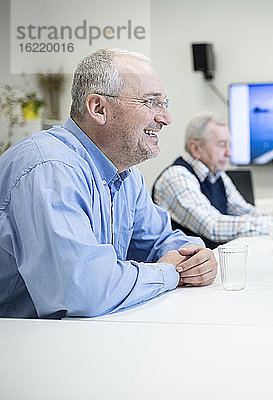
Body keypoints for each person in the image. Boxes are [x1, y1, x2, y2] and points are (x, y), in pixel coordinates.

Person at [0, 49, 218, 319]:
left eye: (165, 103)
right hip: (19, 347)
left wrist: (195, 258)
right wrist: (170, 272)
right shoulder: (49, 168)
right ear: (99, 108)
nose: (165, 118)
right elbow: (83, 291)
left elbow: (162, 242)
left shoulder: (127, 176)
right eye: (151, 102)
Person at [152, 114, 273, 248]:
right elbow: (213, 227)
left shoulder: (217, 175)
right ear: (195, 149)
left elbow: (247, 212)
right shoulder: (176, 177)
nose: (229, 153)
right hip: (183, 276)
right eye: (222, 145)